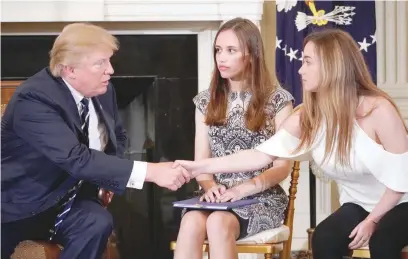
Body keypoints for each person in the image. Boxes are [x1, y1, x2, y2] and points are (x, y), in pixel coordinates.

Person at [173, 29, 408, 259]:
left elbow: (401, 179)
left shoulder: (379, 111)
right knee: (324, 237)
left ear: (332, 65)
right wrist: (199, 168)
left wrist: (373, 220)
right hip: (359, 204)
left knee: (383, 240)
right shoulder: (309, 116)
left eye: (307, 62)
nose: (300, 69)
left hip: (401, 199)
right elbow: (259, 156)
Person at [1, 23, 191, 259]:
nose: (110, 70)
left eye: (109, 61)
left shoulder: (103, 90)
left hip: (70, 202)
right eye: (100, 63)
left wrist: (108, 181)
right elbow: (75, 158)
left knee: (97, 222)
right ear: (70, 70)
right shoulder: (33, 99)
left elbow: (117, 136)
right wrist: (151, 171)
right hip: (21, 208)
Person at [173, 18, 294, 259]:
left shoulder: (279, 100)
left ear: (251, 54)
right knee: (190, 223)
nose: (221, 58)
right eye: (218, 50)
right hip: (219, 197)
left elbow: (282, 167)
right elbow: (202, 166)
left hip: (261, 196)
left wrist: (242, 190)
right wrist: (210, 187)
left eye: (231, 51)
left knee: (218, 223)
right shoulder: (205, 101)